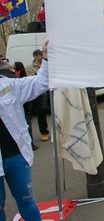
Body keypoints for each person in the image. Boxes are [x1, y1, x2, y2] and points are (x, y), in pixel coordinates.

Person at [0, 40, 49, 221]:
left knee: (26, 200)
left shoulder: (8, 85)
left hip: (16, 156)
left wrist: (46, 58)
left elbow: (41, 83)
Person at [25, 49, 50, 142]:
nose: (41, 56)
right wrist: (39, 74)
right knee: (41, 112)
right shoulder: (29, 67)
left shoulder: (48, 64)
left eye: (41, 55)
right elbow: (30, 79)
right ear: (35, 56)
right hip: (40, 94)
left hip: (50, 90)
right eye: (40, 55)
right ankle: (44, 132)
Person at [14, 62, 38, 151]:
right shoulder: (16, 79)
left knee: (25, 125)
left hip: (23, 107)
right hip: (24, 107)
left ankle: (29, 144)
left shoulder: (16, 78)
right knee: (26, 125)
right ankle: (30, 144)